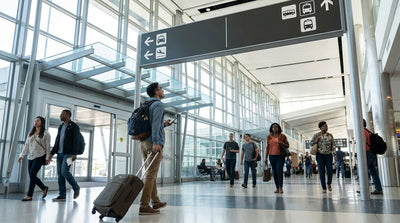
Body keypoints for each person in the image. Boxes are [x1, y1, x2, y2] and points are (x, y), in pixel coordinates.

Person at [138, 82, 174, 215]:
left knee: (150, 173)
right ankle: (144, 205)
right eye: (161, 89)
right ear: (156, 92)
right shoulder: (158, 104)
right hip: (153, 143)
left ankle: (156, 201)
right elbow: (154, 124)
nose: (163, 91)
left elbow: (154, 124)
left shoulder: (146, 104)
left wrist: (163, 125)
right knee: (151, 174)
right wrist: (156, 142)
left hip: (143, 143)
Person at [47, 110, 81, 201]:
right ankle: (62, 195)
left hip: (69, 154)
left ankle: (76, 187)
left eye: (62, 114)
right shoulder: (61, 126)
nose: (60, 115)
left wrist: (75, 153)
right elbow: (57, 140)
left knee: (64, 171)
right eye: (60, 114)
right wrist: (51, 153)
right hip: (60, 154)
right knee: (60, 175)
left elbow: (76, 141)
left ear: (68, 115)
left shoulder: (74, 126)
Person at [18, 116, 50, 201]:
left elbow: (47, 147)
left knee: (32, 174)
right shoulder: (31, 133)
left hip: (40, 156)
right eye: (35, 121)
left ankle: (29, 195)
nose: (35, 122)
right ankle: (44, 188)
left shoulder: (46, 133)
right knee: (32, 175)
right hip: (31, 156)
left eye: (38, 121)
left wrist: (47, 158)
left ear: (42, 123)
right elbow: (26, 145)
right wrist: (22, 155)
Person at [310, 121, 335, 193]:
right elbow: (311, 144)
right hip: (319, 155)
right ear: (321, 127)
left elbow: (333, 145)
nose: (326, 127)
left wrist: (334, 155)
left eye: (327, 126)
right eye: (325, 126)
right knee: (321, 171)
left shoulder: (330, 135)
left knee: (330, 171)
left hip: (328, 155)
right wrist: (315, 141)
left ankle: (329, 183)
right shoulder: (316, 135)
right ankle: (324, 187)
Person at [359, 119, 383, 195]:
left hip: (367, 152)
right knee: (373, 172)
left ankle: (364, 189)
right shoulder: (368, 131)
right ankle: (378, 189)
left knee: (364, 171)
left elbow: (363, 142)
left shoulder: (362, 131)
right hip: (372, 152)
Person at [265, 123, 289, 194]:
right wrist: (265, 158)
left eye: (276, 127)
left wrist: (283, 143)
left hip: (280, 156)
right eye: (273, 127)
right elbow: (267, 147)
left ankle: (281, 187)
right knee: (274, 172)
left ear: (279, 128)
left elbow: (287, 145)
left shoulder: (282, 136)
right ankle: (277, 187)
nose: (275, 128)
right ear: (271, 129)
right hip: (271, 156)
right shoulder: (269, 137)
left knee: (279, 171)